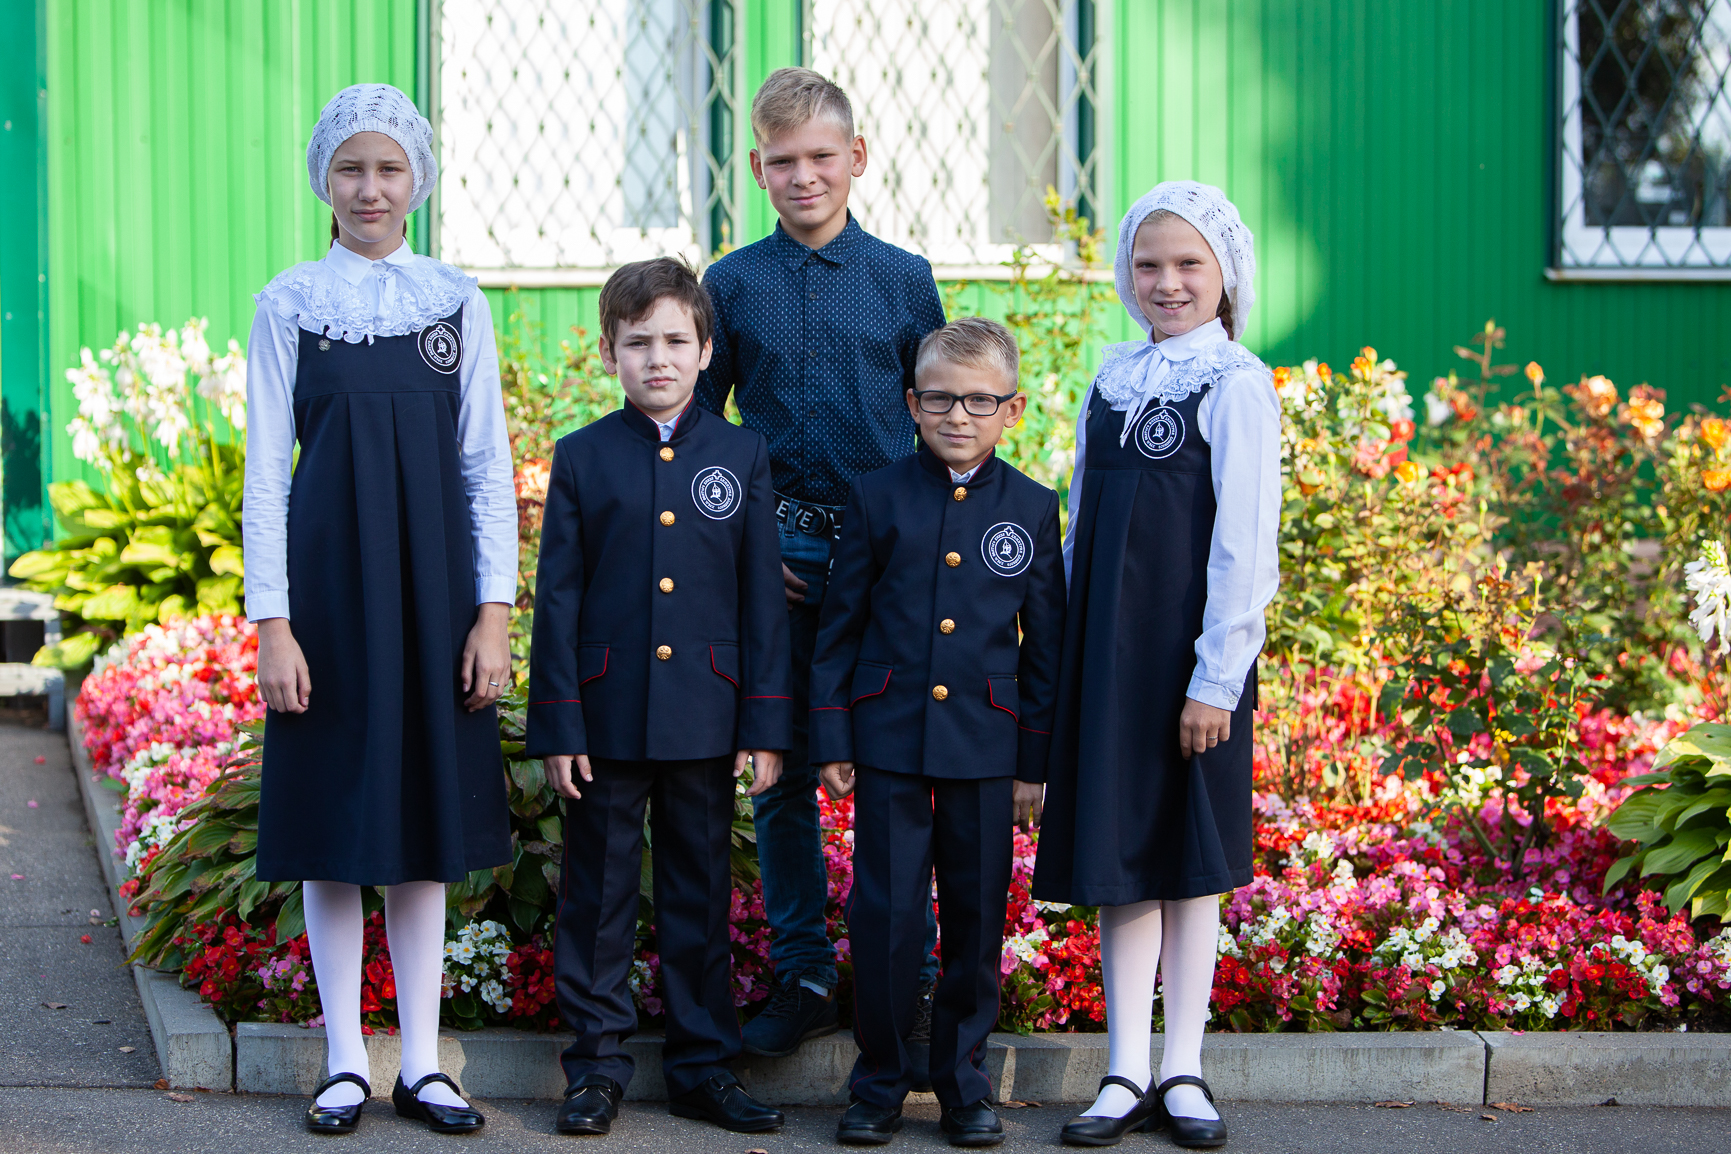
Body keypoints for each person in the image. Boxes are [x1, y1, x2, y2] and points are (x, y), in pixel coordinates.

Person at [245, 83, 516, 1136]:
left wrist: (491, 612)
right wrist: (274, 623)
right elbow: (266, 478)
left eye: (389, 168)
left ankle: (424, 1062)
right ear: (324, 178)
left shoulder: (455, 303)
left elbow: (485, 467)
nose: (370, 188)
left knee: (418, 819)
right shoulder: (289, 305)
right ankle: (346, 1061)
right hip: (326, 598)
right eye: (350, 168)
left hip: (433, 593)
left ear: (418, 179)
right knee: (334, 820)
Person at [695, 66, 948, 1065]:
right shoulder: (730, 284)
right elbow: (701, 431)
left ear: (857, 158)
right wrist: (746, 544)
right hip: (782, 558)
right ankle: (802, 973)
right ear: (758, 168)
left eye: (821, 156)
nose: (804, 176)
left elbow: (939, 418)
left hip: (885, 560)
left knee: (895, 770)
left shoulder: (904, 278)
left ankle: (907, 983)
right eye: (782, 160)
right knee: (782, 769)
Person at [1032, 182, 1281, 1150]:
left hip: (1186, 665)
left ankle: (1183, 1066)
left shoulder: (1234, 382)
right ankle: (1124, 1065)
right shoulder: (1111, 378)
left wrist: (1215, 678)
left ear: (1225, 273)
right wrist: (1054, 637)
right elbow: (1079, 526)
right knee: (1121, 859)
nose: (1167, 282)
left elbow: (1245, 546)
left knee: (1185, 862)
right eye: (1148, 263)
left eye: (1188, 264)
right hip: (1106, 656)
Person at [526, 257, 792, 1137]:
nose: (659, 359)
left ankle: (701, 1066)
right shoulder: (583, 456)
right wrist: (559, 722)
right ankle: (595, 1068)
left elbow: (761, 599)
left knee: (698, 893)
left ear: (706, 350)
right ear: (609, 353)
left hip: (707, 714)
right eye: (637, 343)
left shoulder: (740, 454)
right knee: (597, 897)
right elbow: (558, 599)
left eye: (677, 340)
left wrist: (763, 722)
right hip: (605, 716)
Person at [810, 318, 1066, 1147]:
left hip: (986, 748)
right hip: (887, 737)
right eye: (941, 399)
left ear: (1012, 409)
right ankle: (878, 1083)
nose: (959, 415)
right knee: (884, 917)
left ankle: (963, 1086)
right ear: (912, 404)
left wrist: (1032, 762)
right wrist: (833, 737)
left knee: (974, 916)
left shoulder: (1032, 508)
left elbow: (1044, 649)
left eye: (979, 400)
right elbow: (839, 628)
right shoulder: (876, 495)